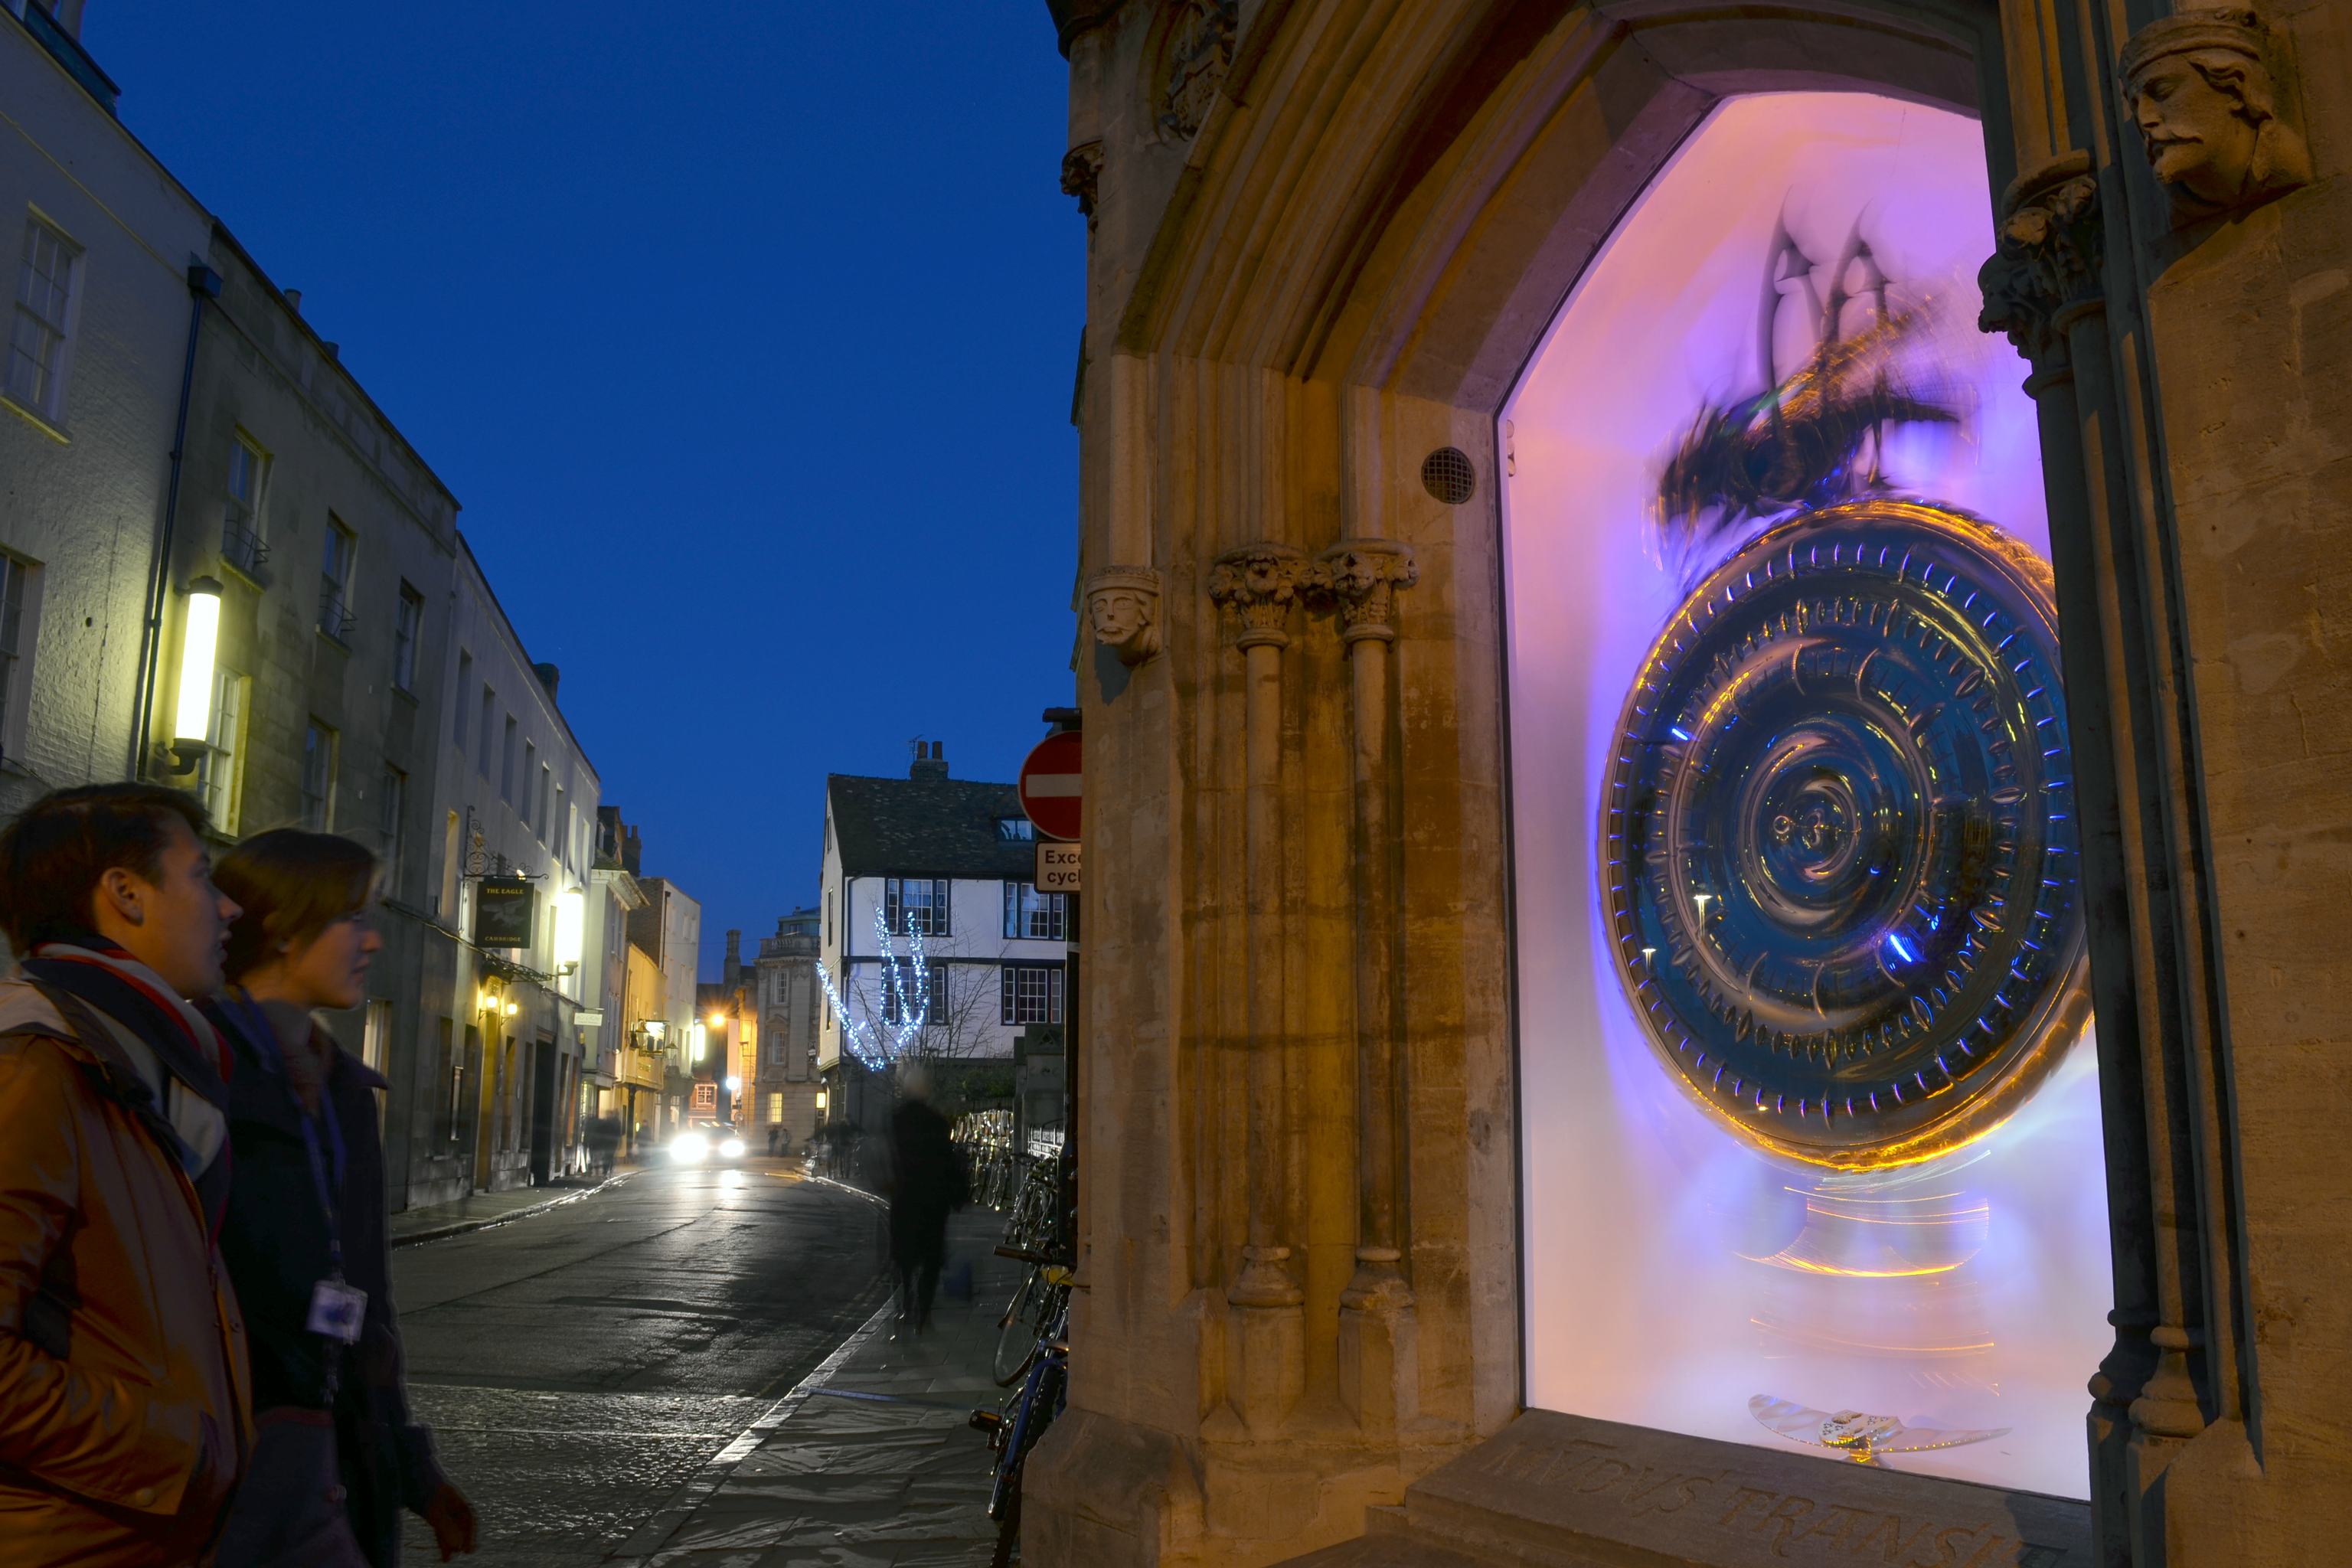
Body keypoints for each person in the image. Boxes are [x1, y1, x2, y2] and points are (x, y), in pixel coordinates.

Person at [198, 828, 477, 1567]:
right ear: (286, 929)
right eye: (353, 917)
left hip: (337, 1462)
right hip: (233, 1475)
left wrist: (411, 1468)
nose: (373, 942)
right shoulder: (200, 1075)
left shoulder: (343, 1090)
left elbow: (366, 1309)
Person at [0, 782, 250, 1566]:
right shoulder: (38, 1065)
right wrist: (173, 1453)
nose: (230, 908)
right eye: (203, 874)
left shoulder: (131, 1059)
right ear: (126, 895)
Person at [887, 1063, 965, 1333]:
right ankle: (924, 1313)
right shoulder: (938, 1122)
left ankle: (907, 1301)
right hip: (933, 1201)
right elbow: (949, 1163)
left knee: (904, 1257)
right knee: (930, 1259)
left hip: (905, 1199)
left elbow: (887, 1161)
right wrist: (957, 1196)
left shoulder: (895, 1121)